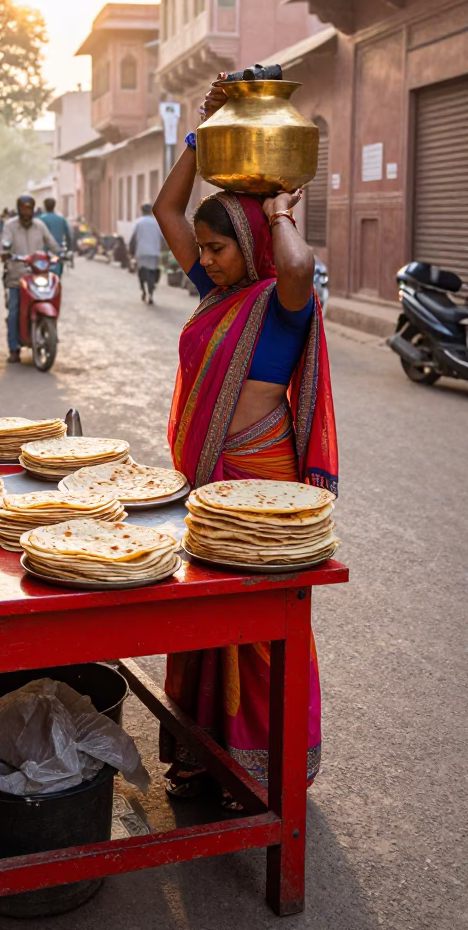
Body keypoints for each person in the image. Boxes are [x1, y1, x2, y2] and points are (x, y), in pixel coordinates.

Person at [152, 82, 338, 806]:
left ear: (251, 243)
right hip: (208, 482)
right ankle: (205, 753)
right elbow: (166, 209)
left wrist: (284, 210)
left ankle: (265, 771)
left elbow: (296, 267)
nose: (207, 260)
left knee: (259, 632)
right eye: (203, 250)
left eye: (220, 248)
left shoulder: (281, 306)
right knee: (203, 620)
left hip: (263, 485)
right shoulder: (214, 292)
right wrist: (204, 138)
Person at [0, 193, 60, 362]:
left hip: (37, 275)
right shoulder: (10, 226)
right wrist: (5, 251)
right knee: (14, 312)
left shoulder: (40, 226)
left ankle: (48, 333)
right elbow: (5, 243)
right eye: (24, 208)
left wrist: (60, 253)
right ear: (18, 209)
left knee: (50, 298)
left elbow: (52, 244)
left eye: (29, 208)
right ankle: (13, 349)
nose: (27, 212)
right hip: (17, 276)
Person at [129, 202, 163, 304]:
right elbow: (162, 238)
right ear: (150, 211)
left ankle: (143, 290)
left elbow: (133, 238)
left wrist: (131, 251)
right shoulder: (156, 223)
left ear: (142, 211)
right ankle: (151, 293)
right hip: (154, 252)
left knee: (141, 272)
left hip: (141, 252)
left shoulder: (138, 223)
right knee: (152, 272)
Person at [39, 198, 73, 274]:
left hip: (43, 252)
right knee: (56, 275)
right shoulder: (61, 219)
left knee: (42, 273)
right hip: (57, 252)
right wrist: (69, 250)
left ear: (45, 206)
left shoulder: (40, 219)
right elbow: (68, 236)